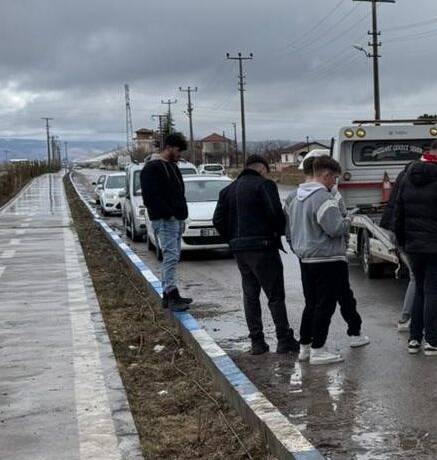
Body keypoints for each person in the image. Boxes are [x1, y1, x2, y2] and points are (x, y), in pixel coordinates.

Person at [213, 154, 299, 356]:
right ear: (261, 168)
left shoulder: (227, 190)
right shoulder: (264, 185)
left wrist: (232, 238)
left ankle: (257, 342)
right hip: (263, 246)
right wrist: (276, 233)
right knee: (275, 295)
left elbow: (217, 219)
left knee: (250, 295)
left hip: (239, 250)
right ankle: (284, 339)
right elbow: (275, 213)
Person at [285, 155, 361, 365]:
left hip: (306, 259)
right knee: (325, 306)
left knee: (311, 304)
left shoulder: (296, 197)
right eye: (334, 178)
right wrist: (348, 220)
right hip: (327, 259)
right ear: (326, 176)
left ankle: (305, 348)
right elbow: (335, 228)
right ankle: (319, 350)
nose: (334, 183)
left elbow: (290, 229)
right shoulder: (323, 198)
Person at [393, 139, 437, 356]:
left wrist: (403, 242)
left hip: (414, 247)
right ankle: (432, 342)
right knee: (433, 292)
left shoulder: (407, 177)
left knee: (420, 291)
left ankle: (414, 340)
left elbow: (399, 213)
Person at [140, 132, 192, 311]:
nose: (180, 155)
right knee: (170, 256)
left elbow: (178, 192)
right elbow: (150, 197)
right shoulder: (152, 167)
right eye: (178, 150)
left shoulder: (172, 166)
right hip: (165, 219)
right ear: (168, 147)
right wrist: (168, 214)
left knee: (174, 256)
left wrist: (180, 215)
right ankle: (170, 295)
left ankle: (171, 293)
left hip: (175, 218)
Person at [379, 161, 414, 333]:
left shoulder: (403, 175)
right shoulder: (413, 179)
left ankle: (407, 317)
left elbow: (395, 208)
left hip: (397, 230)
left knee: (416, 277)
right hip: (409, 235)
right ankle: (407, 318)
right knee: (417, 278)